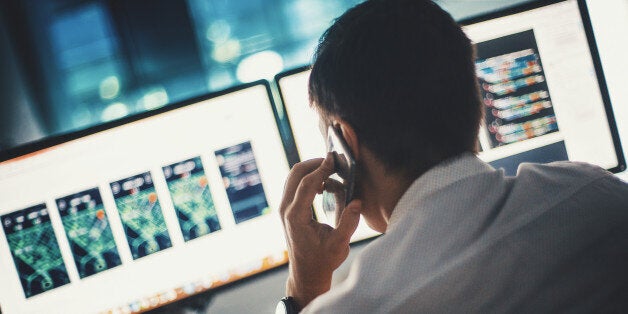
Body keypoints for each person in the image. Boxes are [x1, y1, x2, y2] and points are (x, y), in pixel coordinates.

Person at [277, 0, 628, 313]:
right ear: (474, 102)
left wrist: (303, 289)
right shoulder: (596, 194)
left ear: (346, 144)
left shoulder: (360, 305)